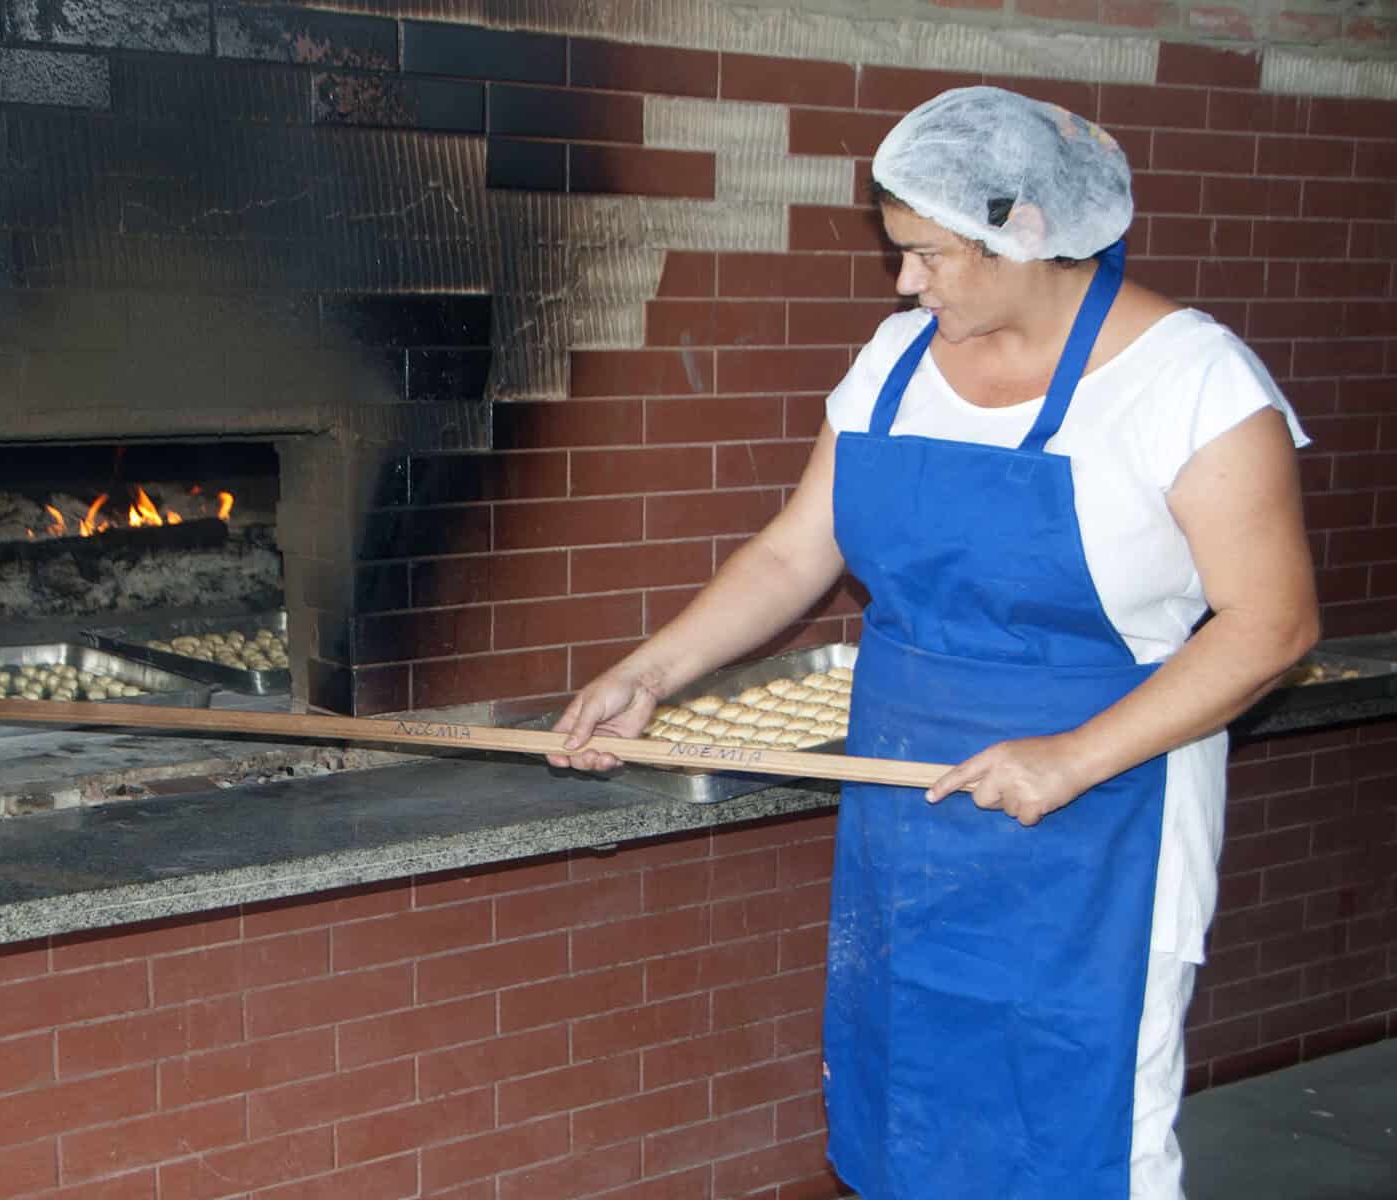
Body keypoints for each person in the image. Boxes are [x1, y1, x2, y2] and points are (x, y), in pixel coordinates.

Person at [550, 86, 1319, 1200]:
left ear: (1030, 234)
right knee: (906, 1079)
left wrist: (1068, 758)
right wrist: (649, 673)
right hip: (906, 794)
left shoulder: (1189, 381)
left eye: (926, 255)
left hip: (1107, 808)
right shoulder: (896, 358)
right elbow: (792, 552)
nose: (902, 281)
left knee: (1076, 1100)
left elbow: (1272, 625)